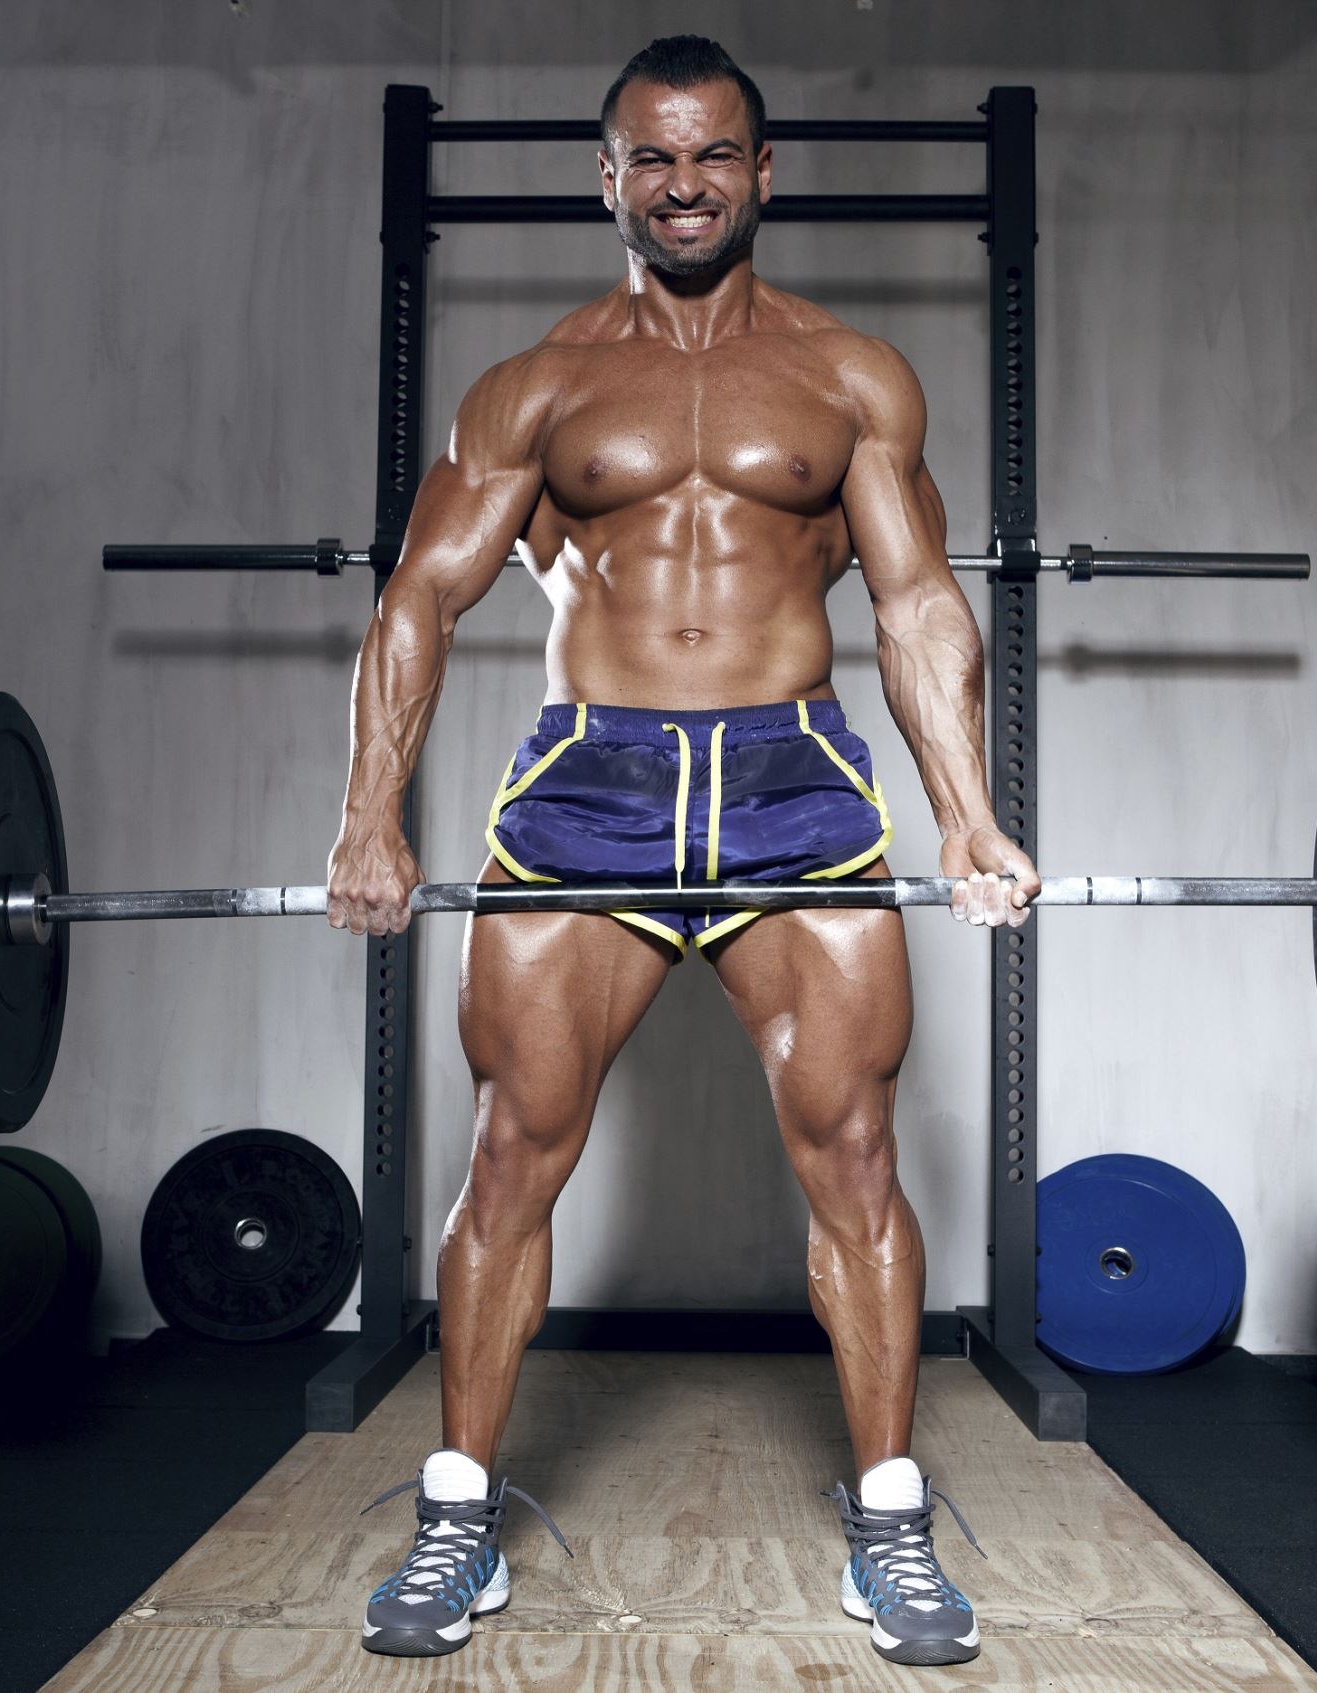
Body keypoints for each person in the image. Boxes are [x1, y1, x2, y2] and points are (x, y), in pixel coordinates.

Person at [325, 35, 1035, 1667]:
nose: (686, 182)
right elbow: (419, 598)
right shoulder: (538, 384)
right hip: (596, 781)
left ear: (762, 172)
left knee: (854, 1153)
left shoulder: (855, 377)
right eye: (653, 158)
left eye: (713, 154)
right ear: (611, 180)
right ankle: (457, 1519)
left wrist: (967, 811)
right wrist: (370, 813)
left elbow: (920, 602)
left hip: (793, 776)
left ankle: (890, 1527)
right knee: (514, 1145)